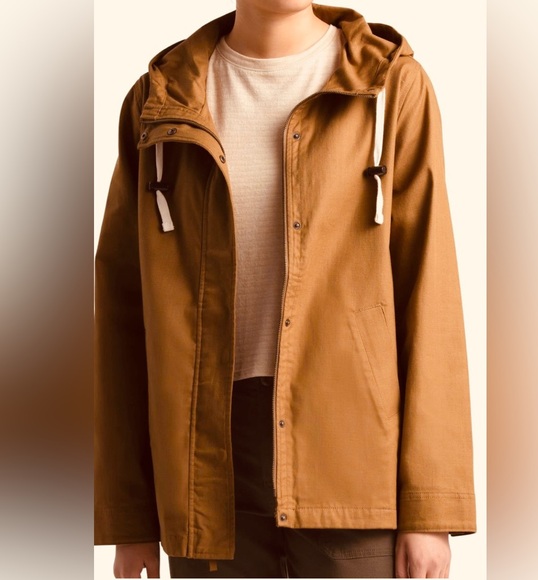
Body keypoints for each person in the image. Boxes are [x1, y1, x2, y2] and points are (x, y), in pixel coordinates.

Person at [94, 1, 476, 577]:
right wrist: (131, 516)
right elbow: (122, 313)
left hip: (353, 464)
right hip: (204, 466)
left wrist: (430, 507)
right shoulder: (161, 99)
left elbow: (430, 290)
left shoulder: (391, 87)